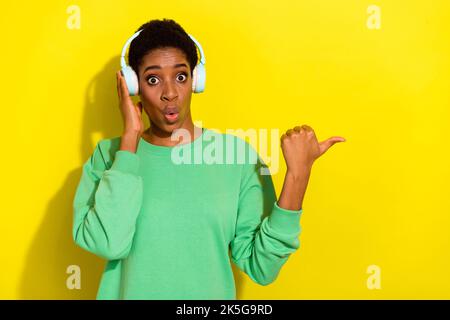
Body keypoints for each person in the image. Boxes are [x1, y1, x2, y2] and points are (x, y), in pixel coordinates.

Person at [72, 18, 346, 300]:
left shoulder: (237, 158)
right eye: (153, 79)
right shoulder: (109, 158)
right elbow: (108, 244)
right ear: (132, 85)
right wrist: (129, 141)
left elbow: (261, 267)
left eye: (181, 77)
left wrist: (298, 175)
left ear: (196, 80)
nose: (169, 93)